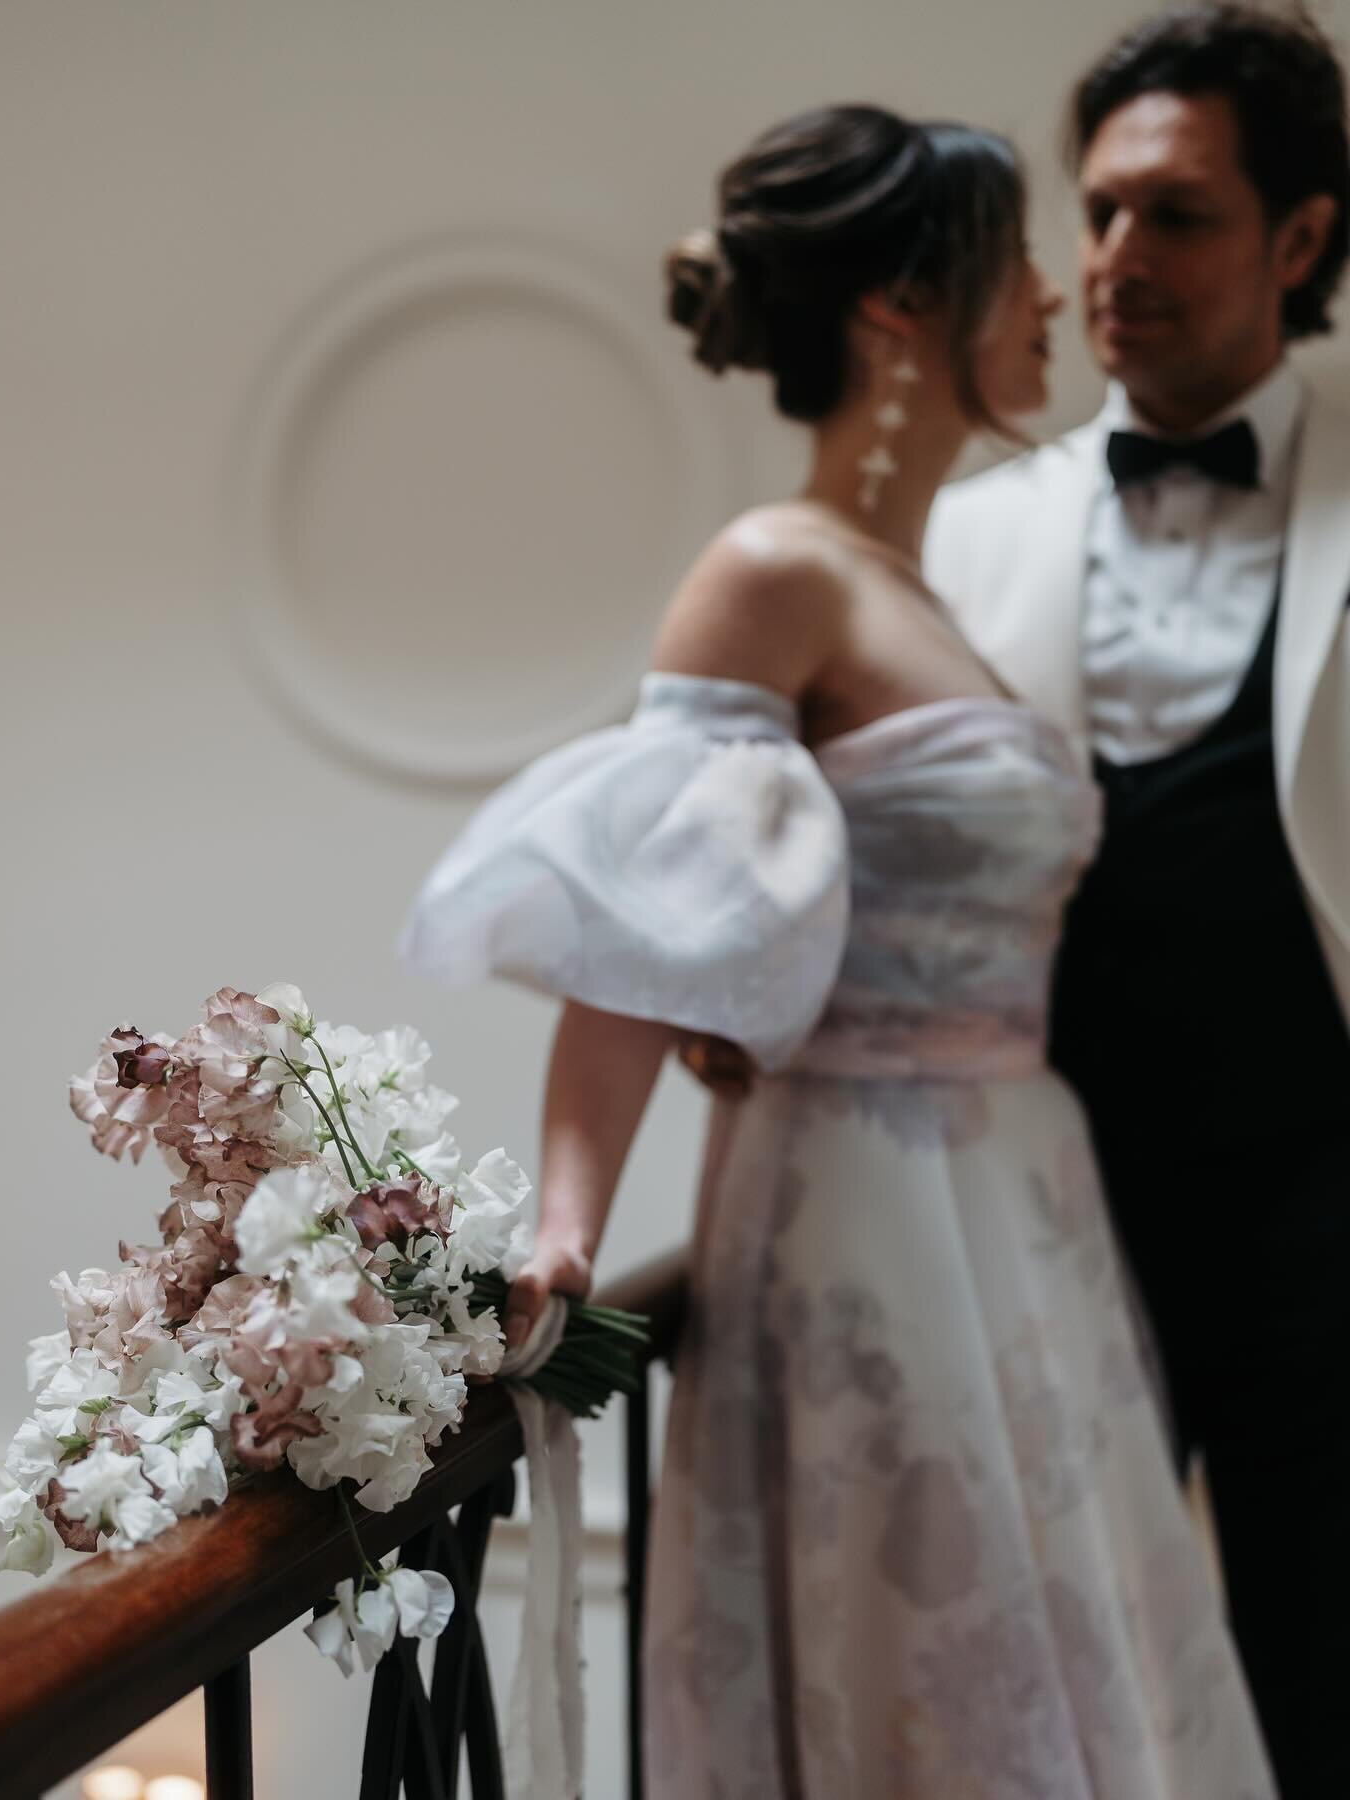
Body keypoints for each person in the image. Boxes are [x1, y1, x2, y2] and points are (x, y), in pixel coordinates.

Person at [402, 105, 1274, 1796]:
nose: (1051, 298)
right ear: (899, 308)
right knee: (931, 1670)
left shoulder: (918, 583)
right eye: (1015, 260)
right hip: (869, 1209)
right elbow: (645, 925)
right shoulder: (770, 571)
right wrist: (566, 1229)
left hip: (1026, 1203)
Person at [924, 9, 1350, 1793]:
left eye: (1172, 215)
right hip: (1043, 1206)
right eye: (1096, 213)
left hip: (1325, 1211)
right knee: (1050, 1670)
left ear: (1302, 239)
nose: (1112, 261)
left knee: (1327, 1658)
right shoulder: (968, 533)